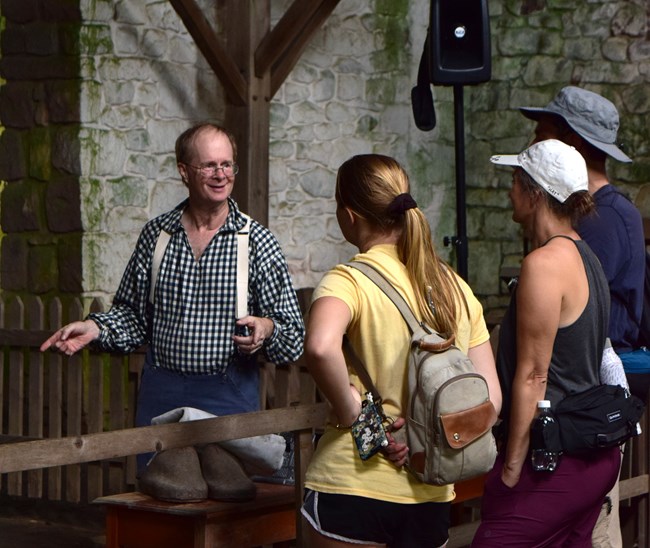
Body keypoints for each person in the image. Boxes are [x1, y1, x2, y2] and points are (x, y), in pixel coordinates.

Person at [40, 122, 305, 475]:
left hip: (226, 399)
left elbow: (293, 336)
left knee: (227, 502)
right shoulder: (157, 236)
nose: (220, 174)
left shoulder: (256, 242)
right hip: (161, 395)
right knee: (162, 501)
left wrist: (267, 328)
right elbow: (133, 318)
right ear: (184, 171)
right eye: (208, 165)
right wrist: (95, 328)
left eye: (227, 165)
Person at [301, 154, 502, 547]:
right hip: (428, 494)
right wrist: (426, 437)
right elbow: (490, 401)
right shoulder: (455, 288)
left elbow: (321, 347)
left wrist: (350, 410)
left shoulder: (349, 280)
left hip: (352, 484)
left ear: (349, 215)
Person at [472, 140, 621, 547]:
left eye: (515, 183)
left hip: (553, 459)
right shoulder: (585, 255)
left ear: (535, 193)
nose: (508, 193)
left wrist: (510, 470)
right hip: (590, 453)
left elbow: (534, 375)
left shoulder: (543, 265)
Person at [519, 85, 646, 548]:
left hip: (588, 408)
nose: (533, 144)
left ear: (570, 143)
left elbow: (588, 328)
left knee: (595, 530)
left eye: (543, 135)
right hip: (579, 407)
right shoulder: (603, 217)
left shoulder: (605, 221)